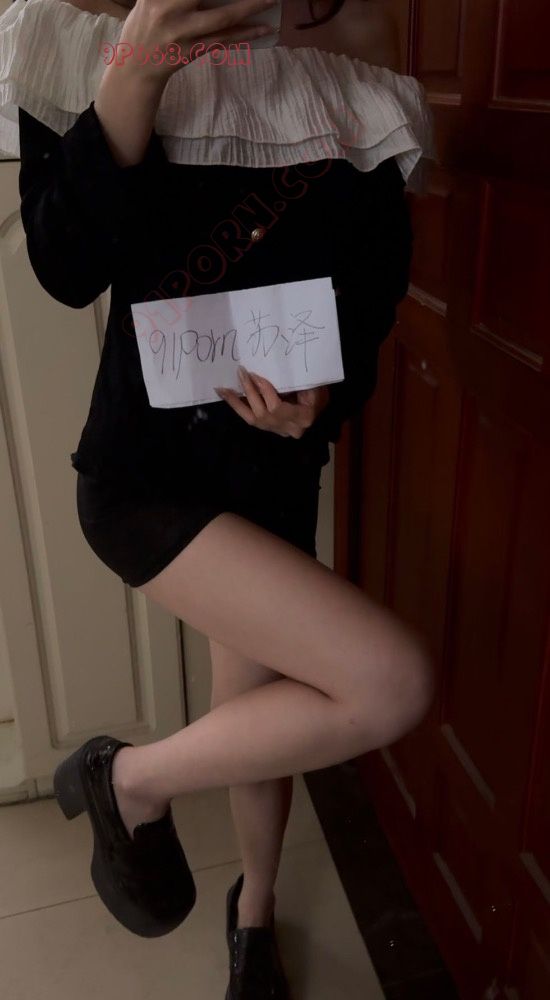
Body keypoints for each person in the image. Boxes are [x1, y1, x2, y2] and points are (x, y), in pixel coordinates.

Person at [1, 0, 436, 995]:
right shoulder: (82, 23)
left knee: (253, 714)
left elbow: (373, 284)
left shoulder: (351, 35)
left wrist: (326, 397)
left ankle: (255, 914)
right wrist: (136, 73)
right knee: (392, 682)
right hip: (145, 475)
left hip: (274, 465)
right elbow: (65, 266)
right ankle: (125, 779)